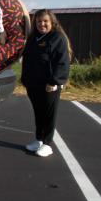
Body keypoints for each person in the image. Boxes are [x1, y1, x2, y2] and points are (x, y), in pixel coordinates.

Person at [21, 9, 71, 157]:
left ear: (52, 22)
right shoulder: (33, 38)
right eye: (38, 21)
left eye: (45, 21)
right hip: (33, 83)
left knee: (49, 114)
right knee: (39, 113)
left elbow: (62, 62)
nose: (42, 24)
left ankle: (48, 144)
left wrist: (54, 81)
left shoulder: (57, 38)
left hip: (50, 85)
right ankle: (39, 140)